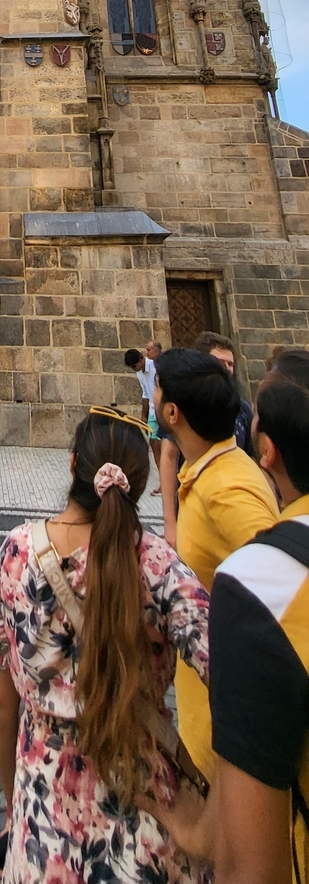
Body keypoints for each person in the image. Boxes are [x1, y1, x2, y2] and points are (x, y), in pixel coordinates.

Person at [0, 405, 211, 884]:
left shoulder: (15, 555)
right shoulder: (157, 565)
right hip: (147, 837)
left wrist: (15, 803)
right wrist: (223, 818)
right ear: (138, 485)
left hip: (42, 831)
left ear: (72, 465)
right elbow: (247, 686)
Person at [143, 370, 309, 884]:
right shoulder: (205, 475)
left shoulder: (235, 502)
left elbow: (251, 863)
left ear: (268, 450)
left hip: (245, 767)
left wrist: (197, 831)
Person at [154, 347, 279, 783]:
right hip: (208, 717)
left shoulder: (227, 489)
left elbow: (285, 591)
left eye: (157, 386)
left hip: (232, 738)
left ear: (172, 413)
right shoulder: (205, 473)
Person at [159, 331, 253, 548]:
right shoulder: (186, 405)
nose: (227, 369)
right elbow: (168, 456)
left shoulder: (242, 409)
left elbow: (252, 456)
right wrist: (170, 521)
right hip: (192, 505)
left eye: (230, 364)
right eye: (220, 363)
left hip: (232, 502)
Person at [124, 347, 161, 491]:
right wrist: (143, 415)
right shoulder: (139, 374)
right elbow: (145, 394)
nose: (134, 369)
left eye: (134, 366)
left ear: (141, 359)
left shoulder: (156, 368)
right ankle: (163, 480)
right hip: (152, 410)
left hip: (161, 410)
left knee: (165, 446)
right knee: (154, 445)